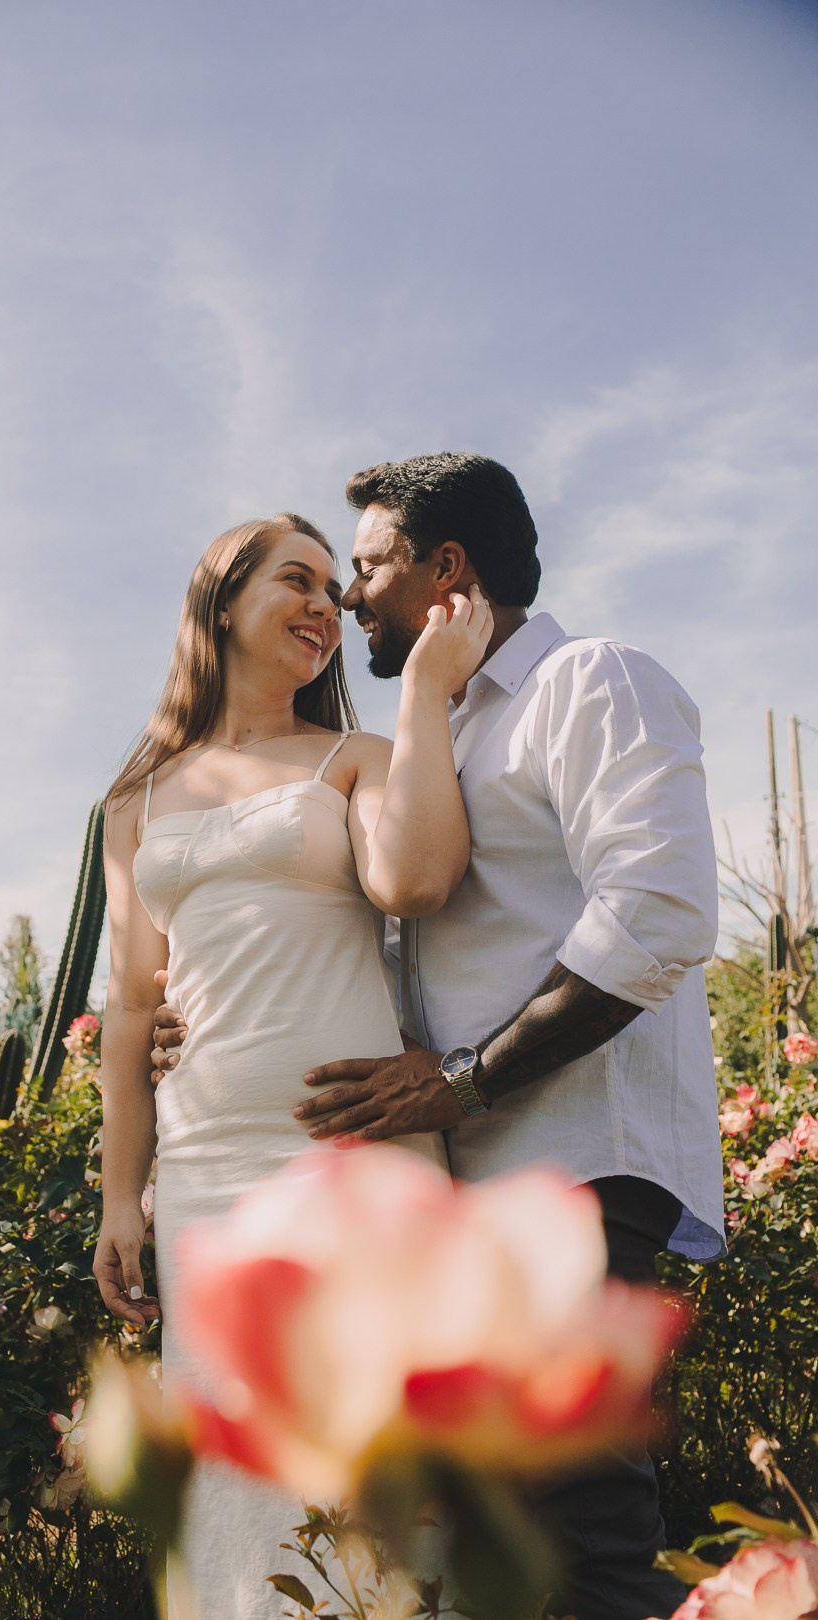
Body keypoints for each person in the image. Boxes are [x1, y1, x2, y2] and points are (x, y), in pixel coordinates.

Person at [153, 455, 725, 1620]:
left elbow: (659, 915)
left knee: (583, 1529)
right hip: (468, 1176)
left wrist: (464, 1081)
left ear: (445, 571)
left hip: (573, 1154)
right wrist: (188, 1016)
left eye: (365, 569)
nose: (351, 599)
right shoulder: (441, 734)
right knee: (494, 1539)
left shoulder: (587, 681)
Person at [91, 511, 492, 1619]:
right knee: (236, 1488)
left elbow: (419, 878)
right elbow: (132, 1007)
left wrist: (418, 691)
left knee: (380, 1486)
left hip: (356, 1167)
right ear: (222, 603)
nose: (329, 605)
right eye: (297, 581)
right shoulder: (133, 803)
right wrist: (123, 1198)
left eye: (335, 586)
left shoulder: (352, 757)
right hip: (211, 1178)